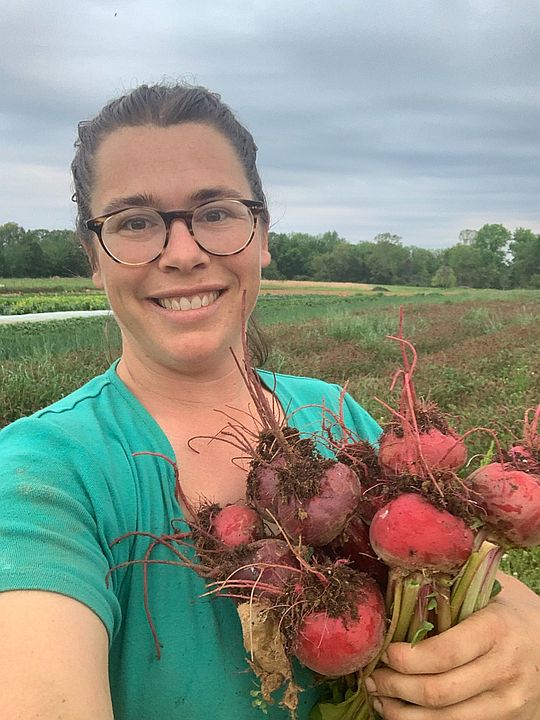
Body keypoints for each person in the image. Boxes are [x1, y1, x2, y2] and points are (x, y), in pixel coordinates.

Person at [0, 83, 538, 720]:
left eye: (217, 211)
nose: (183, 252)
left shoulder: (331, 412)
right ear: (93, 255)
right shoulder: (40, 470)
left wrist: (521, 643)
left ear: (262, 235)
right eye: (135, 223)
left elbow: (475, 576)